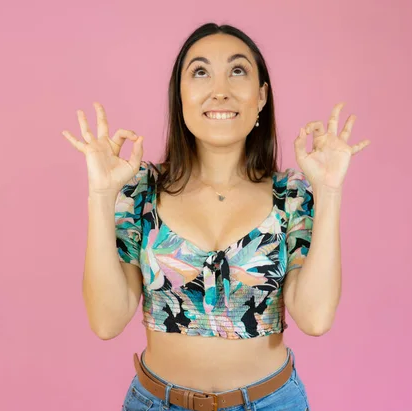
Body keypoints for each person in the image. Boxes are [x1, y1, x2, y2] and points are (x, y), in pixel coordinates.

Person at [63, 22, 370, 411]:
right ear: (180, 95)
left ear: (261, 97)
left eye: (238, 70)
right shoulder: (141, 190)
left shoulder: (290, 196)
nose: (220, 89)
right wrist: (101, 194)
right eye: (201, 72)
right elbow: (107, 322)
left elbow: (315, 317)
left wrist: (328, 191)